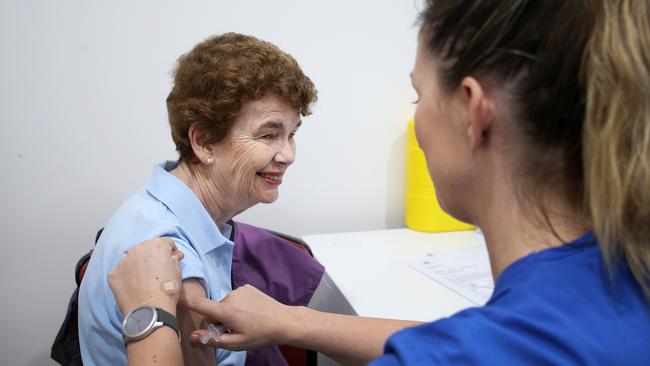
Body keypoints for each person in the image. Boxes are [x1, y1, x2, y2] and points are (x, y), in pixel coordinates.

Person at [109, 0, 650, 365]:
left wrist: (147, 318)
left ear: (473, 113)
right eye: (270, 133)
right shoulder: (621, 279)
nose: (288, 155)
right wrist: (294, 322)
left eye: (418, 95)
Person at [78, 32, 317, 366]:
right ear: (204, 142)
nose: (288, 154)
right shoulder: (174, 262)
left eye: (291, 134)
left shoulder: (161, 204)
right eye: (269, 134)